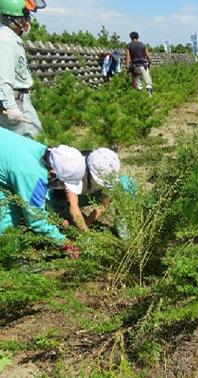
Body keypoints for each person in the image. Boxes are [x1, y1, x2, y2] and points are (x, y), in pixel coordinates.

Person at [0, 128, 84, 257]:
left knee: (11, 207)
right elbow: (36, 220)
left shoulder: (44, 152)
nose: (62, 188)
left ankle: (9, 253)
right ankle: (8, 258)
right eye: (62, 184)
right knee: (9, 215)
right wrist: (65, 243)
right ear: (52, 173)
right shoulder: (32, 177)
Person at [49, 148, 136, 235]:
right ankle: (62, 214)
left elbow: (103, 207)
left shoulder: (107, 172)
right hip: (62, 198)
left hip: (89, 194)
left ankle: (122, 227)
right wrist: (85, 234)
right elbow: (73, 205)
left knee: (126, 183)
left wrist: (86, 224)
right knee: (61, 221)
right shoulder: (74, 169)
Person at [0, 0, 47, 138]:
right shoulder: (5, 40)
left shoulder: (8, 37)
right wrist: (11, 107)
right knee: (35, 144)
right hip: (15, 102)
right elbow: (2, 79)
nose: (27, 21)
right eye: (25, 17)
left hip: (14, 100)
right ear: (11, 19)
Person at [125, 31, 152, 96]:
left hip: (135, 67)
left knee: (138, 83)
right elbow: (148, 56)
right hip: (144, 65)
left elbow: (128, 57)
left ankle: (140, 98)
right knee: (148, 82)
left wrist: (127, 66)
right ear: (138, 37)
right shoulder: (143, 45)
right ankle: (150, 96)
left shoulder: (129, 46)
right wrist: (149, 64)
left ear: (131, 38)